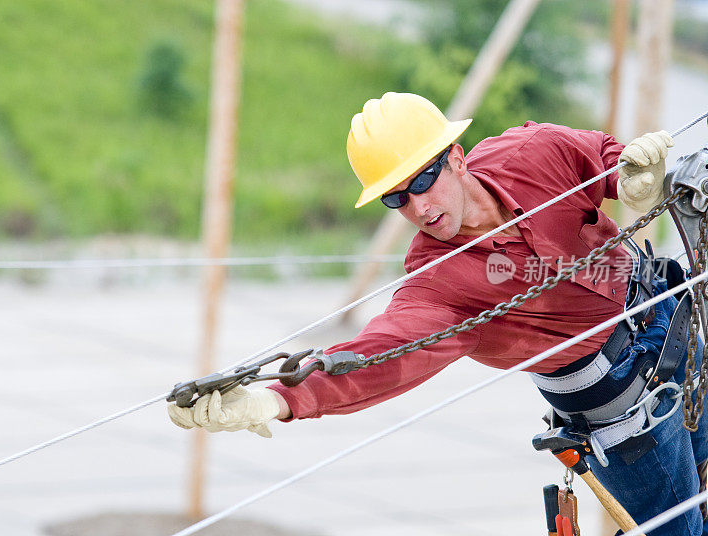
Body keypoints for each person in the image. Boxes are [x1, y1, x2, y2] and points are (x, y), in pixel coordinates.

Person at [168, 92, 707, 536]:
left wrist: (632, 178)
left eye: (423, 179)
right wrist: (277, 399)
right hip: (626, 409)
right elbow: (380, 355)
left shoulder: (531, 152)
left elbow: (604, 160)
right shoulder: (437, 282)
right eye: (395, 198)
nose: (418, 207)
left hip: (675, 325)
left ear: (457, 155)